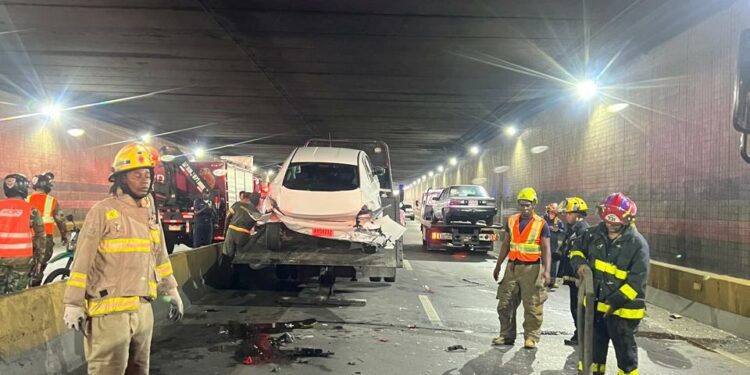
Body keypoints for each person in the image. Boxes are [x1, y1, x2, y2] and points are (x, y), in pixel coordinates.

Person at [62, 143, 184, 375]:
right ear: (121, 179)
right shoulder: (102, 211)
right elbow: (81, 263)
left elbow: (160, 257)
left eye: (147, 174)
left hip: (142, 311)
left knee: (140, 370)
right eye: (137, 174)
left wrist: (172, 290)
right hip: (109, 315)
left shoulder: (151, 213)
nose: (145, 179)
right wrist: (73, 303)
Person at [570, 193, 649, 375]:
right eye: (607, 222)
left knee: (625, 356)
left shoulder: (637, 245)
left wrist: (615, 301)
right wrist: (580, 264)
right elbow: (575, 250)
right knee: (594, 353)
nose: (610, 227)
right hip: (595, 308)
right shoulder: (593, 234)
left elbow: (637, 281)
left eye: (615, 224)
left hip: (623, 312)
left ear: (627, 220)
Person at [492, 187, 552, 349]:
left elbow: (546, 249)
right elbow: (505, 244)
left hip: (532, 270)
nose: (525, 208)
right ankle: (506, 335)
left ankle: (531, 337)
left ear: (534, 205)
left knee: (532, 305)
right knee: (505, 303)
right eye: (522, 205)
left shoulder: (541, 224)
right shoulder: (511, 221)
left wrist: (546, 271)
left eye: (528, 205)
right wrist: (498, 265)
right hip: (512, 268)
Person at [0, 174, 44, 294]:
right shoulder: (31, 210)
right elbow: (41, 237)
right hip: (22, 261)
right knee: (16, 297)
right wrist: (39, 261)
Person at [556, 197, 589, 346]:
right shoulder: (573, 230)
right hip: (572, 277)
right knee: (575, 307)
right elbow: (565, 251)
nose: (566, 216)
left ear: (578, 214)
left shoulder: (582, 231)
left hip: (578, 278)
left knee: (578, 308)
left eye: (569, 213)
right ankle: (579, 334)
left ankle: (581, 336)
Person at [27, 172, 67, 286]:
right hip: (45, 240)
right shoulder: (52, 200)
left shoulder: (26, 199)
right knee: (40, 266)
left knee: (26, 266)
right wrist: (64, 236)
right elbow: (60, 220)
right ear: (47, 186)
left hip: (28, 239)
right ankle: (35, 289)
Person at [223, 191, 262, 261]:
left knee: (226, 255)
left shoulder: (237, 204)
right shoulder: (256, 212)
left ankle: (224, 270)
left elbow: (228, 217)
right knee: (240, 257)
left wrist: (225, 231)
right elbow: (259, 226)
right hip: (243, 235)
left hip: (231, 232)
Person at [543, 202, 564, 290]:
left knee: (553, 262)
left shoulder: (558, 221)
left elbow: (563, 230)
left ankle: (552, 281)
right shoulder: (542, 219)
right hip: (543, 243)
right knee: (544, 260)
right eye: (551, 213)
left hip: (553, 243)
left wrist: (558, 229)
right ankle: (542, 279)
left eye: (554, 213)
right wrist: (548, 227)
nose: (552, 215)